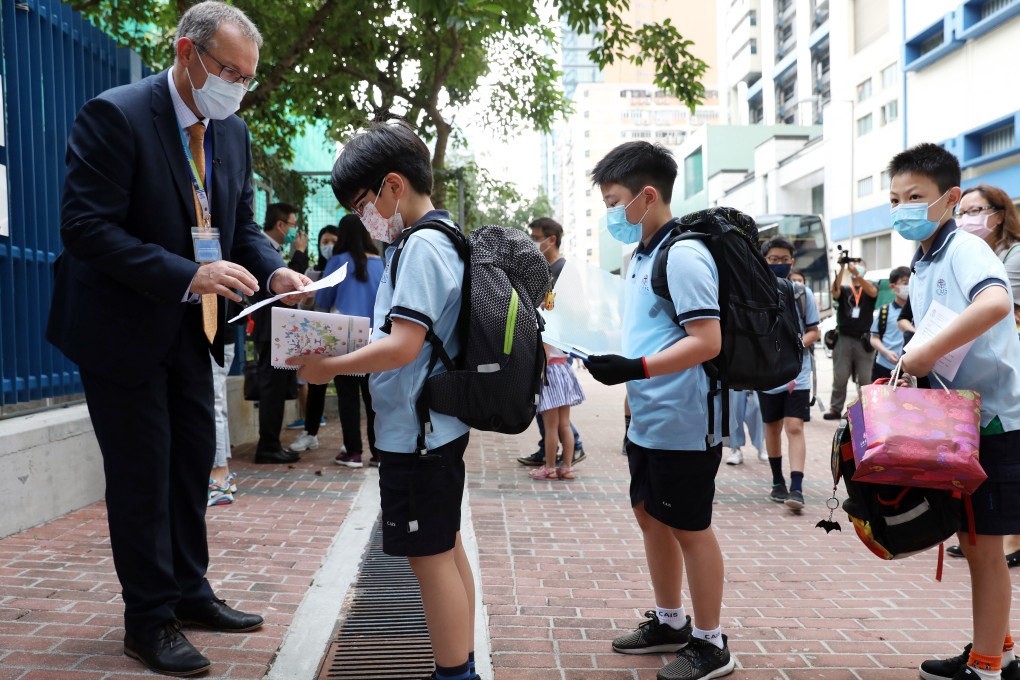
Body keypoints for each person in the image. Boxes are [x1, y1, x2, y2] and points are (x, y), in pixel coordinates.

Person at [45, 3, 311, 675]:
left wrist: (272, 263)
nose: (238, 87)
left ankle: (191, 593)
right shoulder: (117, 115)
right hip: (122, 331)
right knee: (142, 478)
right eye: (229, 71)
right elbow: (86, 228)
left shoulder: (232, 132)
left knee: (191, 467)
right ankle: (149, 620)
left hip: (194, 333)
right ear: (187, 55)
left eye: (247, 77)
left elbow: (238, 225)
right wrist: (188, 274)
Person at [288, 121, 479, 680]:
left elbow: (402, 346)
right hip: (430, 427)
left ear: (393, 186)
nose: (360, 217)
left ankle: (454, 673)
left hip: (418, 432)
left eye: (361, 202)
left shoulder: (421, 246)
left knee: (430, 557)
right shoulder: (427, 239)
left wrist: (326, 366)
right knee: (444, 550)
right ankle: (461, 662)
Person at [583, 141, 735, 680]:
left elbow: (707, 340)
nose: (610, 214)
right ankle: (670, 621)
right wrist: (631, 385)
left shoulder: (685, 254)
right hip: (648, 415)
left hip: (687, 417)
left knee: (691, 527)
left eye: (614, 200)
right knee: (650, 515)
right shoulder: (641, 254)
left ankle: (711, 642)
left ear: (648, 196)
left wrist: (634, 370)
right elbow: (649, 332)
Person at [888, 143, 1020, 680]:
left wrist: (921, 348)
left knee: (985, 550)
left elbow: (995, 303)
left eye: (915, 196)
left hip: (994, 422)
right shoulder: (926, 258)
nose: (903, 208)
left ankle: (986, 667)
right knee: (974, 542)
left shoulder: (965, 248)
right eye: (895, 198)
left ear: (951, 197)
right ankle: (998, 651)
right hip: (962, 423)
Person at [943, 184, 1020, 569]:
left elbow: (1002, 309)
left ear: (1000, 213)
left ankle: (1009, 539)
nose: (969, 218)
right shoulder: (957, 253)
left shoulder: (1010, 256)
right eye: (964, 211)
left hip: (1003, 386)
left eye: (979, 210)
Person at [313, 214, 385, 467]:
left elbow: (322, 300)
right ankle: (379, 453)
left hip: (343, 338)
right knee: (373, 398)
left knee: (347, 397)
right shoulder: (381, 263)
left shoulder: (337, 261)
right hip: (374, 339)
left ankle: (353, 452)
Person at [755, 237, 820, 511]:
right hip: (766, 372)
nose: (779, 264)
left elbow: (814, 331)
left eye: (784, 260)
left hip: (797, 372)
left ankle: (796, 487)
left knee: (794, 426)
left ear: (792, 262)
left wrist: (792, 347)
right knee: (772, 426)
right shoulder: (754, 293)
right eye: (773, 260)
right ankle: (777, 481)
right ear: (763, 261)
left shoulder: (802, 294)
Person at [517, 217, 587, 468]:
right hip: (546, 345)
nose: (534, 242)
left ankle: (567, 449)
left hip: (554, 350)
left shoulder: (565, 271)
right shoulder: (546, 269)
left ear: (551, 239)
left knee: (549, 406)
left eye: (536, 238)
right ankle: (554, 450)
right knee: (551, 408)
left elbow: (575, 311)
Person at [251, 202, 307, 464]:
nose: (295, 233)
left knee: (276, 390)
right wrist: (299, 254)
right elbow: (280, 293)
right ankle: (268, 446)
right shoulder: (259, 251)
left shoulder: (272, 249)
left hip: (276, 330)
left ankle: (271, 443)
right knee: (271, 391)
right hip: (268, 329)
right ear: (281, 225)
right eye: (293, 226)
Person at [288, 224, 341, 455]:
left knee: (346, 387)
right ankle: (310, 433)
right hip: (317, 337)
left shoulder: (345, 269)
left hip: (341, 335)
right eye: (324, 241)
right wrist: (307, 299)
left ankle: (351, 441)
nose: (328, 246)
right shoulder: (312, 271)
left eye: (333, 241)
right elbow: (303, 306)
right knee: (316, 386)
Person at [822, 256, 878, 419]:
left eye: (859, 266)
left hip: (864, 339)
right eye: (853, 266)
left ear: (865, 270)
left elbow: (873, 293)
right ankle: (835, 408)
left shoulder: (870, 287)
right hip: (844, 338)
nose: (855, 268)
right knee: (840, 375)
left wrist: (858, 275)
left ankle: (866, 409)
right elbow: (835, 291)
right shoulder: (845, 289)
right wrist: (841, 269)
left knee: (865, 377)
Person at [528, 325, 586, 481]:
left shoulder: (546, 327)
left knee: (550, 427)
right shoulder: (562, 327)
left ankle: (550, 468)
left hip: (549, 374)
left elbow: (545, 354)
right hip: (564, 370)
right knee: (565, 425)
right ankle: (567, 467)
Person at [868, 266, 911, 382]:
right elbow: (874, 338)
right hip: (885, 366)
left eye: (911, 283)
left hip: (909, 369)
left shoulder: (917, 311)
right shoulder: (885, 311)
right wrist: (887, 353)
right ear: (893, 287)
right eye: (905, 283)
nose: (909, 287)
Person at [723, 390, 765, 465]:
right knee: (734, 409)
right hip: (734, 382)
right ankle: (735, 448)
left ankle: (760, 445)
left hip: (754, 381)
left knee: (757, 408)